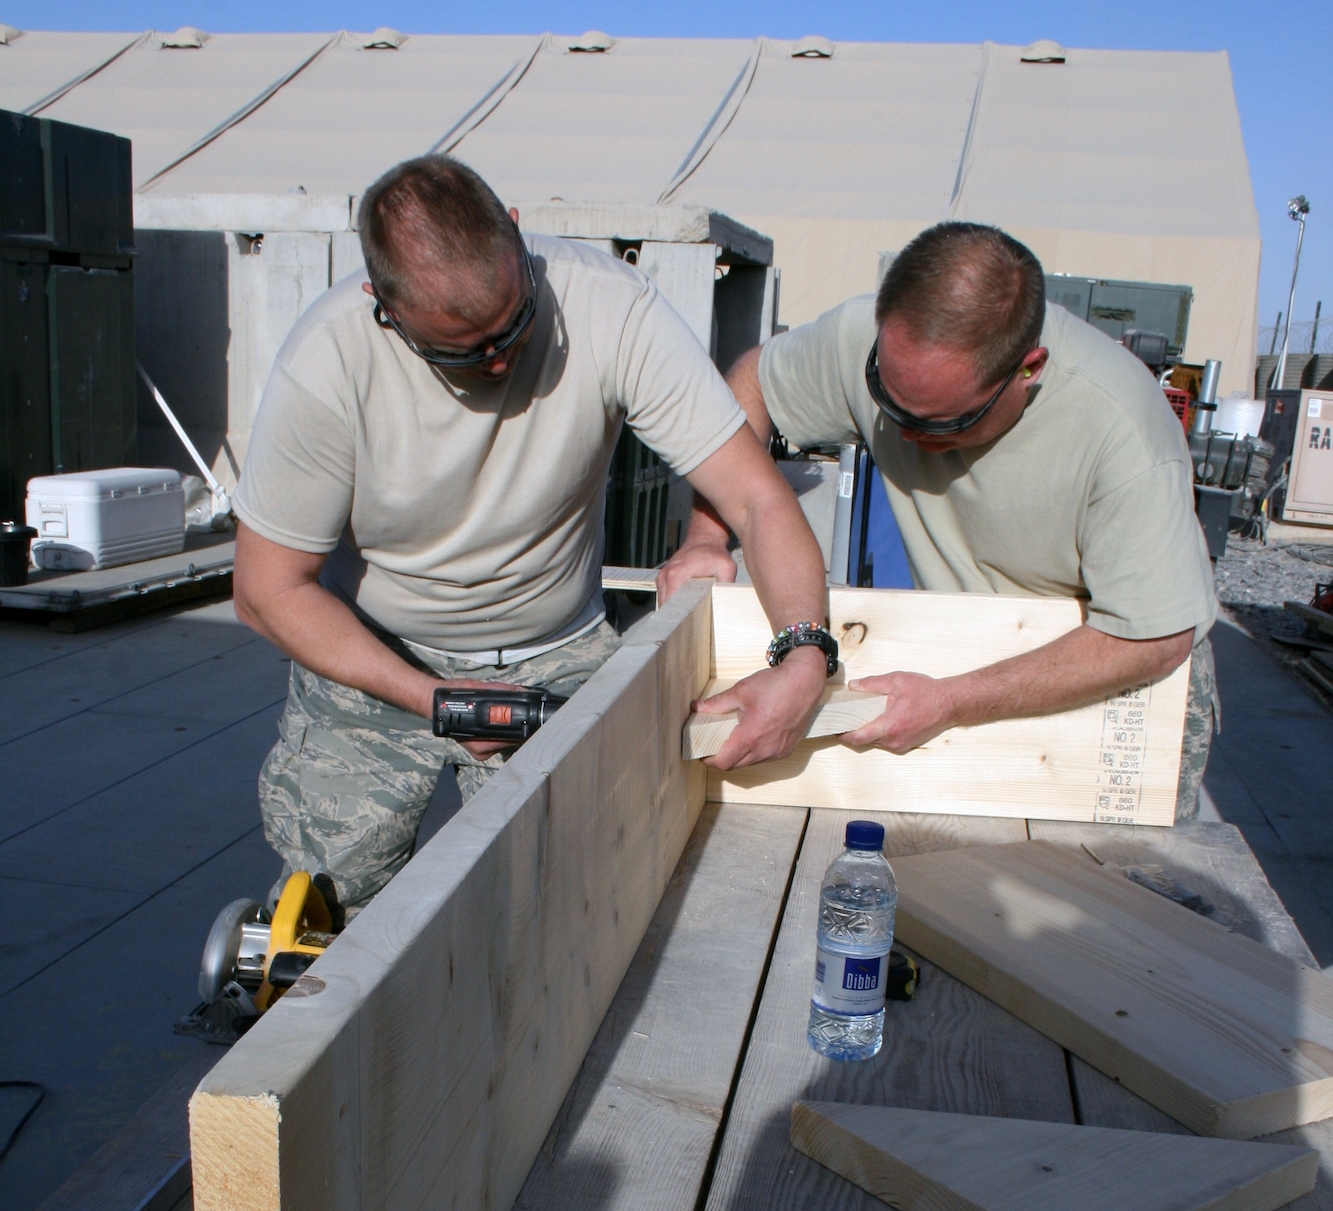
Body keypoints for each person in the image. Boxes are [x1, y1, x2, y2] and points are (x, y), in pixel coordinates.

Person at [232, 157, 832, 918]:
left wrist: (805, 655)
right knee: (326, 916)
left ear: (515, 236)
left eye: (512, 327)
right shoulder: (328, 361)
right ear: (381, 301)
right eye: (459, 351)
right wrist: (430, 698)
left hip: (557, 658)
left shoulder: (610, 310)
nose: (499, 361)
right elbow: (266, 590)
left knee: (572, 914)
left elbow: (756, 499)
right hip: (373, 666)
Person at [662, 221, 1218, 817]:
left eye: (939, 423)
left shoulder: (1123, 429)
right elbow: (753, 385)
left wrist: (953, 700)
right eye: (885, 398)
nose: (901, 432)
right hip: (959, 668)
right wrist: (705, 533)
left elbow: (1153, 639)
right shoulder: (867, 339)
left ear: (1028, 370)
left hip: (1107, 688)